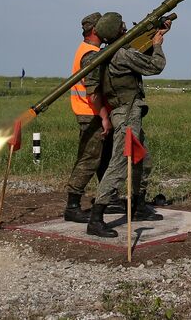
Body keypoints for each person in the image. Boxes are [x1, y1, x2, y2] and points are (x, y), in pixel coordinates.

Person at [85, 12, 171, 237]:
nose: (126, 26)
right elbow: (155, 66)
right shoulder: (122, 54)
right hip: (127, 115)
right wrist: (158, 45)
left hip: (125, 113)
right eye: (122, 25)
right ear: (117, 31)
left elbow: (139, 52)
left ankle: (138, 206)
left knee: (143, 160)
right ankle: (96, 217)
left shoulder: (107, 54)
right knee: (119, 164)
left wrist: (155, 35)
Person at [62, 13, 121, 234]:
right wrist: (104, 117)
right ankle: (73, 205)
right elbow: (93, 93)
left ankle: (108, 196)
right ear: (96, 30)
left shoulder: (87, 50)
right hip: (91, 113)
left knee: (103, 158)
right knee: (90, 158)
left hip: (90, 112)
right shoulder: (90, 55)